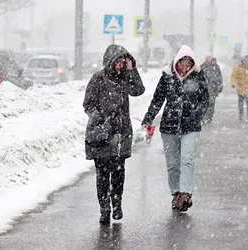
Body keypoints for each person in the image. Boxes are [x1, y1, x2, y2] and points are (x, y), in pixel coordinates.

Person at [141, 45, 209, 212]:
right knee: (172, 164)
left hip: (190, 126)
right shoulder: (167, 77)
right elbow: (157, 100)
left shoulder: (198, 77)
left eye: (188, 64)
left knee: (186, 160)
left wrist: (196, 114)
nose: (185, 68)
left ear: (192, 64)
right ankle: (176, 193)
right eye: (182, 64)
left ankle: (186, 193)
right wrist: (148, 119)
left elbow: (206, 100)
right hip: (169, 127)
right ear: (176, 62)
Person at [83, 44, 145, 224]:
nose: (119, 65)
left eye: (122, 61)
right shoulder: (98, 79)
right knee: (102, 174)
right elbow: (88, 104)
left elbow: (139, 90)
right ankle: (104, 208)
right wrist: (100, 120)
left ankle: (117, 203)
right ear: (109, 61)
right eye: (117, 61)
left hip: (121, 132)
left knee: (118, 172)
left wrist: (132, 70)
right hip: (101, 134)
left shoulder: (125, 79)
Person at [200, 56, 223, 124]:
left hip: (213, 88)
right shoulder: (202, 66)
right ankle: (204, 117)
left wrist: (219, 86)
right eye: (207, 58)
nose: (209, 59)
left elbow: (219, 76)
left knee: (211, 104)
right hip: (204, 89)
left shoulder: (216, 66)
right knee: (204, 104)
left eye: (210, 58)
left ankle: (209, 117)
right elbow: (198, 77)